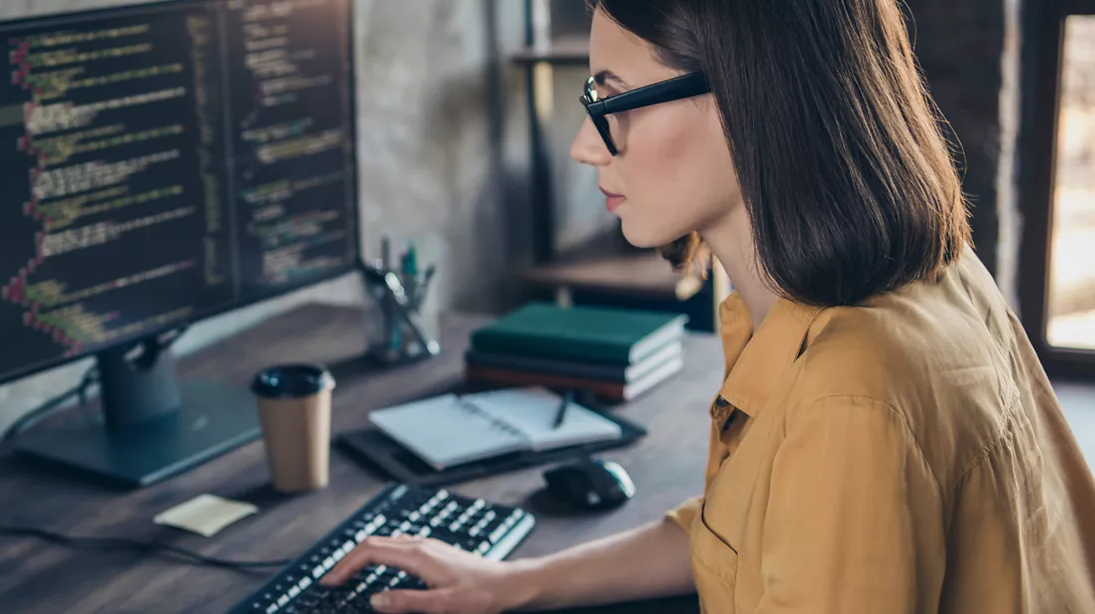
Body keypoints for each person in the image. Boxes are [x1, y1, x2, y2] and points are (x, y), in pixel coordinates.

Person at [320, 0, 1095, 612]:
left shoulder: (853, 390)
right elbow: (747, 535)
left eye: (613, 99)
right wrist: (510, 582)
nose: (586, 145)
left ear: (755, 99)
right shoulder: (923, 272)